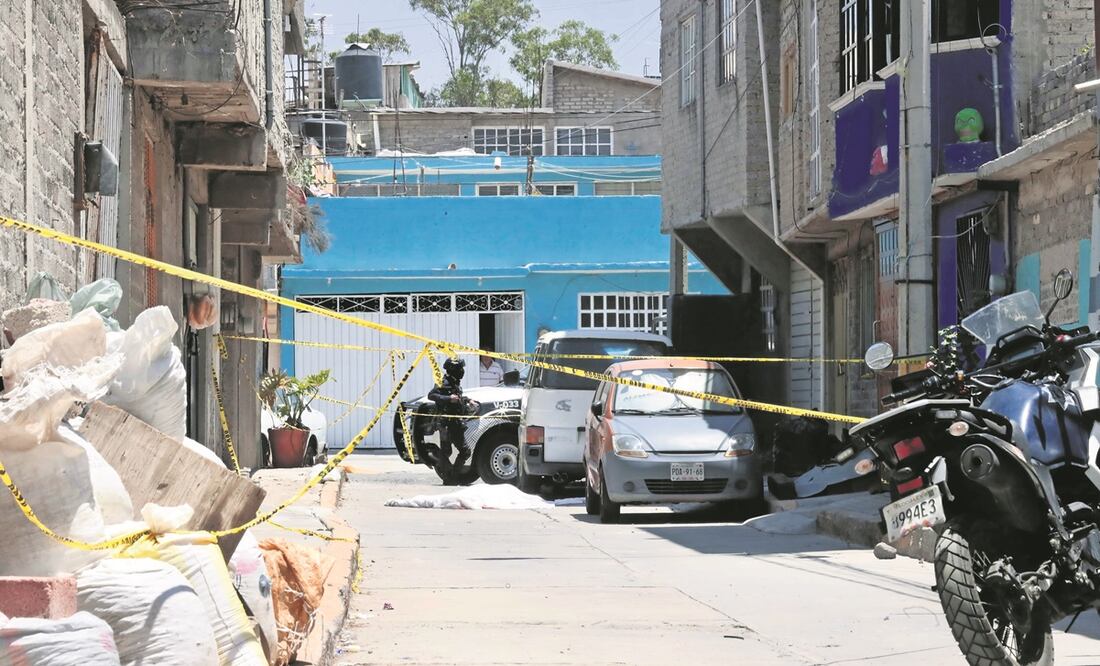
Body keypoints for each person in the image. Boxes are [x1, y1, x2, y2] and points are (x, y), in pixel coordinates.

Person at [428, 357, 473, 482]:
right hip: (447, 423)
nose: (462, 371)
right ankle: (451, 477)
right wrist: (448, 398)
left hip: (456, 423)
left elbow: (457, 397)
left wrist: (467, 400)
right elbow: (431, 395)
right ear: (453, 369)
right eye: (460, 368)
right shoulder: (444, 382)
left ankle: (450, 477)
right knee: (460, 451)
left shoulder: (454, 382)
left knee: (456, 451)